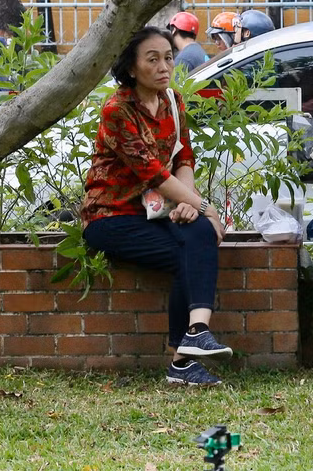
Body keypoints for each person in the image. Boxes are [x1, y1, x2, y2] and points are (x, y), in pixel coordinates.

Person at [81, 26, 229, 386]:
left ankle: (195, 335)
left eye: (168, 57)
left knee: (200, 232)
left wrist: (191, 206)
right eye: (153, 59)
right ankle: (183, 361)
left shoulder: (172, 102)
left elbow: (183, 158)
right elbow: (153, 172)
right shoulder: (118, 110)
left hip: (155, 210)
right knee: (188, 252)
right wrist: (205, 205)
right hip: (111, 216)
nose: (165, 66)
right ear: (132, 68)